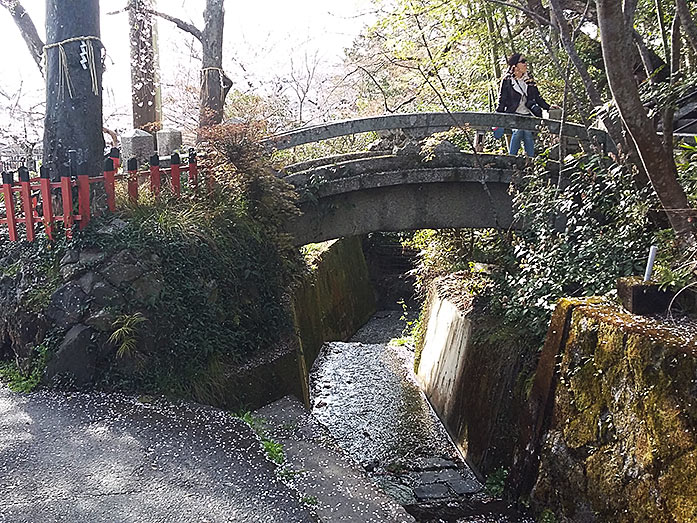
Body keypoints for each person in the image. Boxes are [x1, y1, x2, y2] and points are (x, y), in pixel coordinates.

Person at [496, 53, 556, 157]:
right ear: (515, 65)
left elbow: (537, 97)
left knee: (528, 133)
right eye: (523, 61)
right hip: (513, 114)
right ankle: (512, 158)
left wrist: (548, 107)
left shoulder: (529, 79)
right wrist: (497, 117)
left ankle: (530, 160)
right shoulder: (507, 81)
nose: (525, 64)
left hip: (528, 113)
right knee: (518, 131)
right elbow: (502, 100)